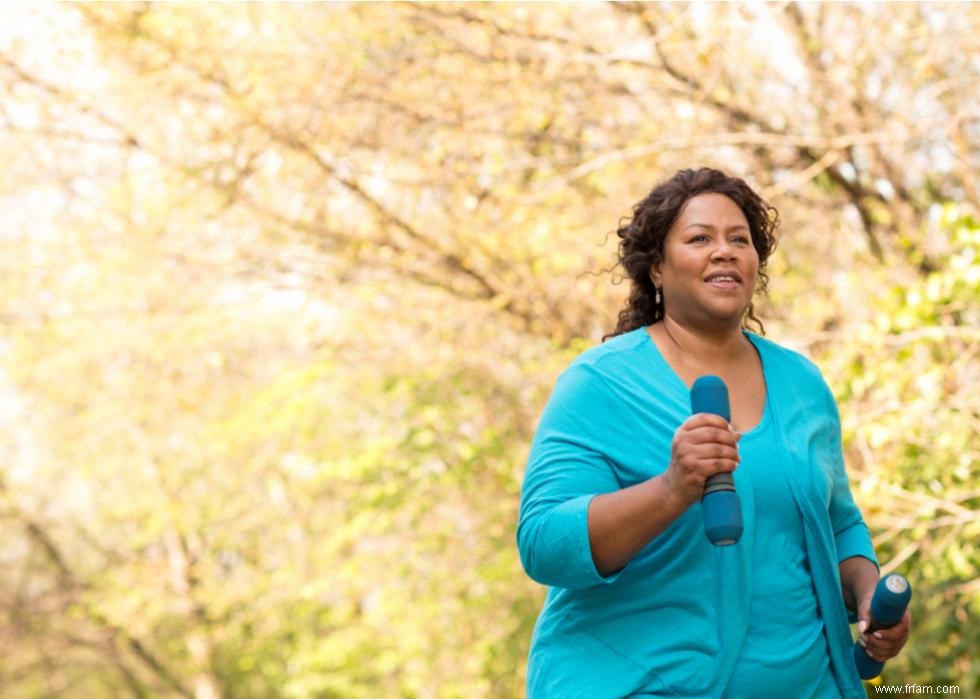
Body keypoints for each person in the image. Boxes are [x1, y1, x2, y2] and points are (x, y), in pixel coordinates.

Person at [516, 168, 911, 698]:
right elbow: (543, 543)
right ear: (656, 267)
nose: (724, 251)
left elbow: (838, 523)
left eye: (739, 239)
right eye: (699, 238)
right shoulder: (601, 384)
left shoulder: (802, 384)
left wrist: (867, 596)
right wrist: (671, 490)